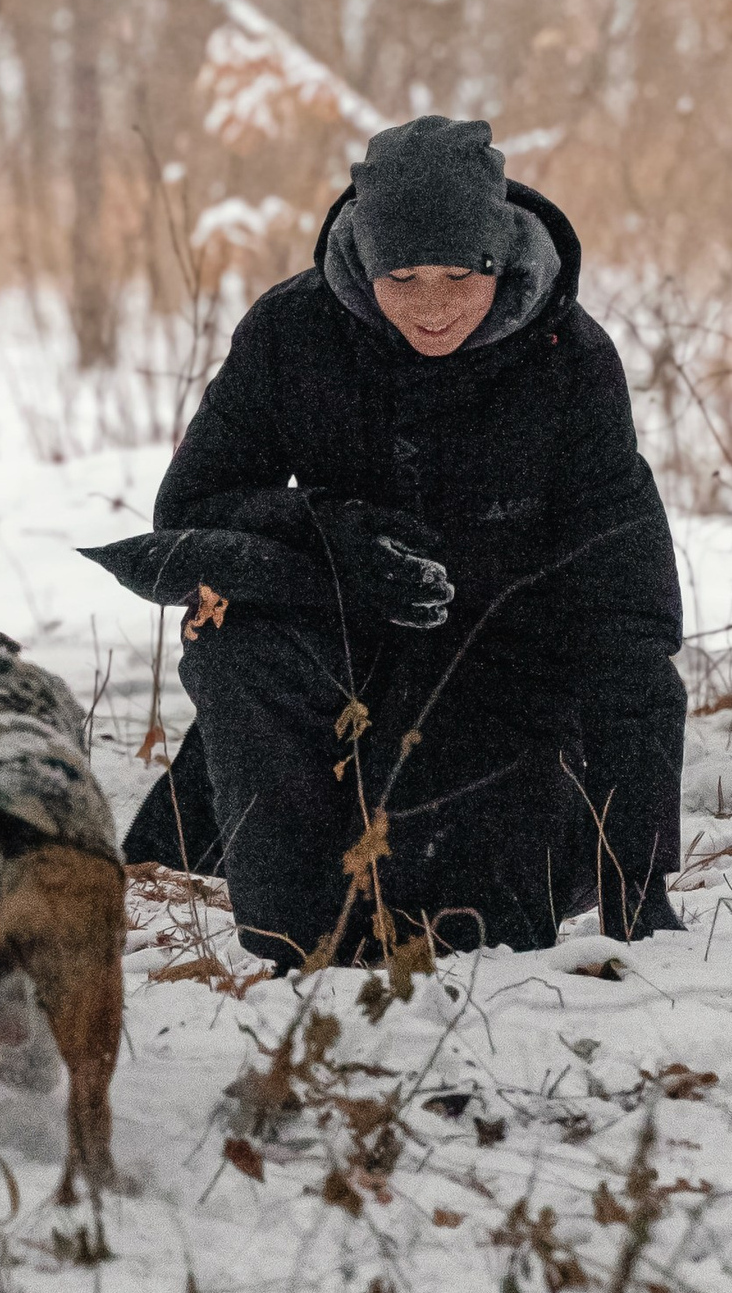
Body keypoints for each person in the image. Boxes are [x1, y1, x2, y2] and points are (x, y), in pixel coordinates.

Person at [86, 115, 685, 971]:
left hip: (505, 687)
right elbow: (190, 510)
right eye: (402, 277)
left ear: (498, 259)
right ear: (365, 263)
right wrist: (328, 533)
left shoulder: (572, 361)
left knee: (463, 940)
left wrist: (638, 877)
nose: (432, 307)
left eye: (459, 276)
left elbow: (627, 619)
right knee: (234, 643)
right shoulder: (292, 331)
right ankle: (297, 941)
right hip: (342, 655)